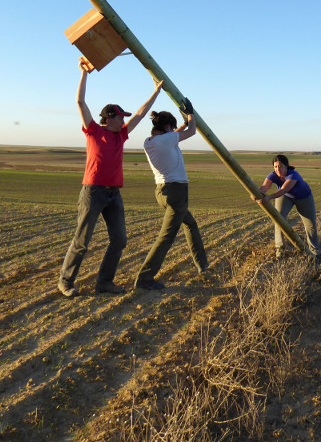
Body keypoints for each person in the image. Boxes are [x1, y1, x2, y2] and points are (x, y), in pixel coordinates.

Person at [57, 57, 163, 297]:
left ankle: (104, 282)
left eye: (124, 118)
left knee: (120, 240)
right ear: (109, 118)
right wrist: (84, 74)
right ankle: (65, 281)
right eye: (120, 117)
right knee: (82, 240)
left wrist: (155, 92)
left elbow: (140, 113)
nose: (124, 121)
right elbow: (80, 101)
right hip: (93, 191)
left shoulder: (121, 136)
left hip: (114, 194)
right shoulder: (93, 131)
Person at [134, 99, 208, 290]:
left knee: (190, 224)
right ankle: (144, 278)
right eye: (172, 127)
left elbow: (173, 135)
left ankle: (203, 265)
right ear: (167, 126)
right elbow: (191, 131)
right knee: (166, 237)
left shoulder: (150, 142)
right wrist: (191, 114)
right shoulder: (166, 139)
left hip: (162, 191)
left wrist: (181, 123)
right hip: (176, 192)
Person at [255, 154, 321, 262]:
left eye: (280, 166)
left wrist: (269, 197)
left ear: (286, 166)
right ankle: (280, 250)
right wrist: (254, 193)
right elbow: (264, 187)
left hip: (303, 197)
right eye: (275, 167)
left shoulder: (293, 175)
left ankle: (315, 252)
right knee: (278, 219)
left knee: (310, 225)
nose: (277, 169)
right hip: (285, 197)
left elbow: (284, 189)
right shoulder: (272, 175)